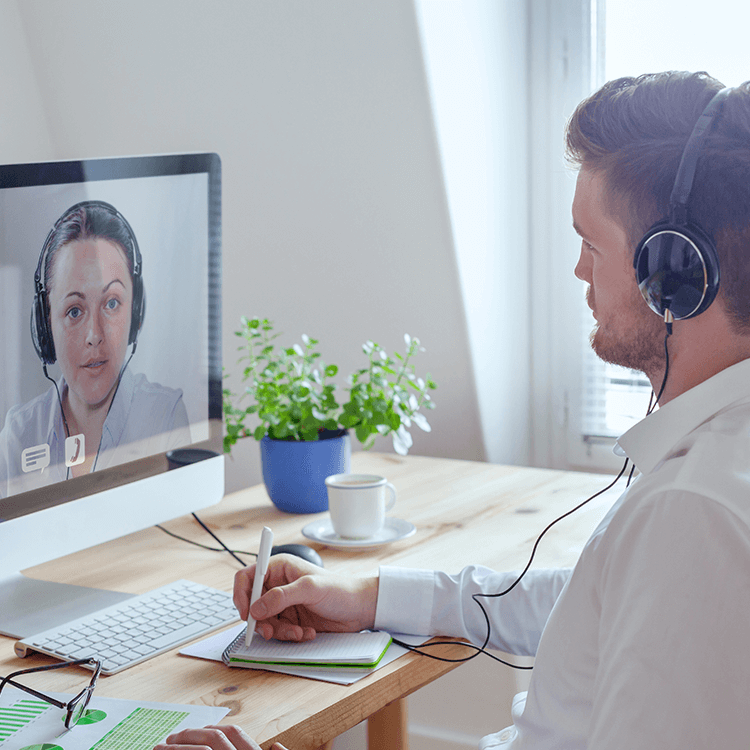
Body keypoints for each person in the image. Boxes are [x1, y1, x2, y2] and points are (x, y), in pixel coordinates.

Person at [159, 71, 750, 749]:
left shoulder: (693, 514)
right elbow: (604, 606)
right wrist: (370, 599)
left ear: (674, 276)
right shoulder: (708, 477)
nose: (580, 273)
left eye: (592, 246)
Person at [0, 201, 190, 499]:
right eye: (74, 311)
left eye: (112, 303)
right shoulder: (19, 433)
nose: (94, 335)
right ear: (45, 324)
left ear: (135, 311)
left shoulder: (164, 416)